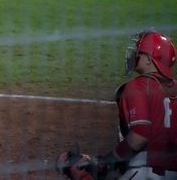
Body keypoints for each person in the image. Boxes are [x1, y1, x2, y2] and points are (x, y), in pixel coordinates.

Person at [56, 30, 177, 180]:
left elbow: (140, 135)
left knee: (85, 173)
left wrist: (110, 159)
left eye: (139, 52)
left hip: (146, 172)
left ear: (149, 59)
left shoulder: (137, 87)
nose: (134, 54)